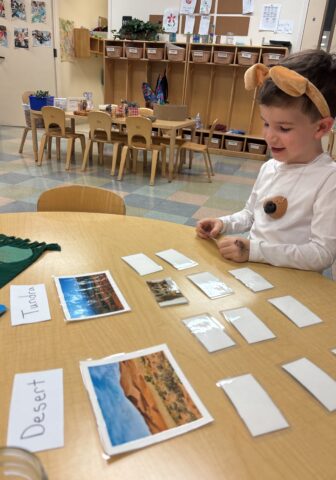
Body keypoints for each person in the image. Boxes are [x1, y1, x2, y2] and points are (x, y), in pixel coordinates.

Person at [196, 49, 336, 272]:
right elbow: (251, 214)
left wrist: (255, 251)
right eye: (266, 123)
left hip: (295, 284)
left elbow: (322, 253)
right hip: (255, 273)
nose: (269, 136)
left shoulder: (329, 179)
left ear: (321, 127)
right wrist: (224, 223)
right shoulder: (270, 167)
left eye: (284, 128)